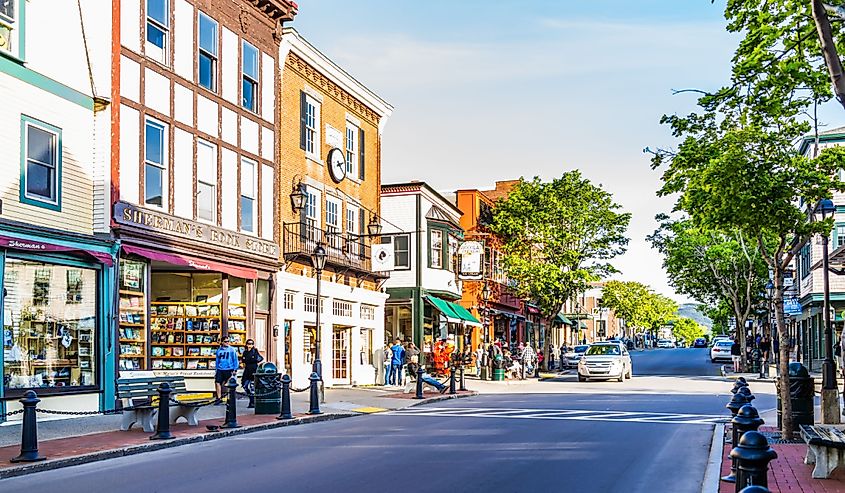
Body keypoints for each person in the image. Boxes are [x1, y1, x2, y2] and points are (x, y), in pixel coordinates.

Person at [215, 336, 239, 404]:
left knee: (229, 384)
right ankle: (219, 398)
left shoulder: (232, 349)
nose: (227, 343)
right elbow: (217, 360)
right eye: (225, 341)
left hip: (229, 369)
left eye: (228, 341)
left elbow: (235, 360)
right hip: (220, 369)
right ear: (222, 342)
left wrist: (235, 369)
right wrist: (216, 369)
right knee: (217, 382)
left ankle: (229, 398)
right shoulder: (219, 350)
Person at [240, 339, 263, 408]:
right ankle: (251, 399)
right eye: (248, 344)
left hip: (254, 370)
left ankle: (253, 402)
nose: (250, 345)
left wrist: (254, 359)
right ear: (246, 344)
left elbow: (260, 358)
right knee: (244, 385)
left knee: (253, 386)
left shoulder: (255, 351)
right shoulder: (245, 352)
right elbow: (243, 361)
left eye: (251, 344)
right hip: (247, 370)